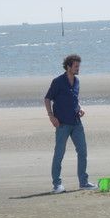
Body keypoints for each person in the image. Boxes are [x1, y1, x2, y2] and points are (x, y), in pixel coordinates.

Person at [44, 54, 96, 194]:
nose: (78, 68)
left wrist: (81, 108)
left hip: (76, 123)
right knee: (59, 154)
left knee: (83, 152)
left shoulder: (77, 81)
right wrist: (51, 116)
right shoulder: (58, 82)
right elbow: (47, 99)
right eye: (76, 66)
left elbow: (75, 99)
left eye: (79, 66)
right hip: (62, 124)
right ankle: (57, 185)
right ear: (68, 67)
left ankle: (83, 182)